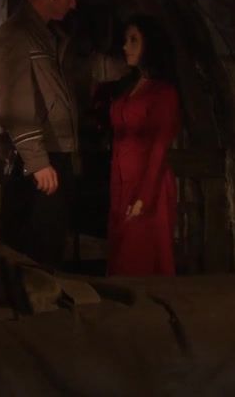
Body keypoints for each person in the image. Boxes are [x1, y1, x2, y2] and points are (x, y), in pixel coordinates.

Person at [0, 0, 81, 269]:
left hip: (52, 156)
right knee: (34, 254)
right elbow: (13, 104)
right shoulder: (16, 35)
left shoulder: (46, 35)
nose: (74, 4)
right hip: (39, 161)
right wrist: (37, 161)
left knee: (48, 249)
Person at [96, 14, 180, 276]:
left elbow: (159, 147)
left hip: (147, 185)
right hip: (122, 183)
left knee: (139, 257)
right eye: (126, 40)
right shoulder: (130, 87)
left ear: (149, 45)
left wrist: (144, 196)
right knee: (122, 256)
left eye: (133, 40)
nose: (126, 46)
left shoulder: (163, 93)